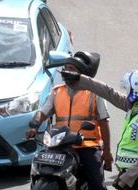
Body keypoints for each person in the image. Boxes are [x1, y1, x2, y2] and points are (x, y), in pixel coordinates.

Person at [61, 69, 138, 190]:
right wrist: (80, 79)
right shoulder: (135, 107)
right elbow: (108, 92)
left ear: (137, 91)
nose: (126, 93)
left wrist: (126, 178)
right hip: (129, 175)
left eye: (128, 89)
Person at [26, 51, 113, 190]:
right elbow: (42, 113)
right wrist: (34, 126)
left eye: (71, 69)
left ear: (81, 73)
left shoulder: (94, 92)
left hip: (86, 145)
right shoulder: (57, 91)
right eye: (66, 68)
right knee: (38, 171)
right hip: (59, 144)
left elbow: (104, 122)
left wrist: (107, 152)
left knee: (97, 184)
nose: (66, 71)